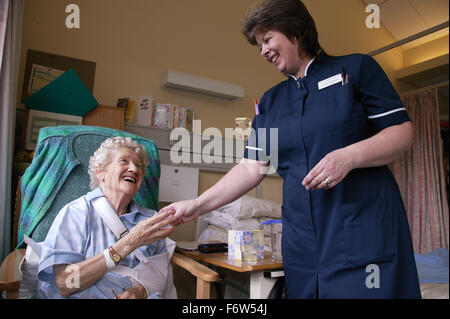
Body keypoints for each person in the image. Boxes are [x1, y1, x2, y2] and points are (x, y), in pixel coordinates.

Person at [163, 0, 421, 298]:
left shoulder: (355, 69)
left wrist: (348, 157)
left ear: (295, 31)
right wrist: (196, 206)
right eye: (258, 45)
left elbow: (402, 133)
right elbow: (251, 167)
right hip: (302, 243)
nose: (263, 51)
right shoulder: (271, 103)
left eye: (267, 39)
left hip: (361, 229)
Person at [35, 137, 177, 299]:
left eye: (138, 166)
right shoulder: (76, 213)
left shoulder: (151, 220)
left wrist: (141, 291)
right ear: (100, 172)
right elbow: (66, 283)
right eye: (124, 161)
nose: (134, 169)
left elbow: (160, 278)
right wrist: (129, 243)